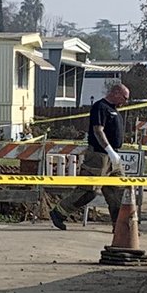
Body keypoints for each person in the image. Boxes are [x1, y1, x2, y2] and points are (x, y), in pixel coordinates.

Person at [50, 82, 129, 230]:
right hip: (98, 156)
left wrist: (114, 154)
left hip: (114, 159)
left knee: (118, 192)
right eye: (125, 98)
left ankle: (119, 226)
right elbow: (98, 131)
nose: (126, 102)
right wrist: (109, 151)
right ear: (116, 93)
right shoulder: (101, 107)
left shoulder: (114, 110)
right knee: (89, 191)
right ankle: (59, 212)